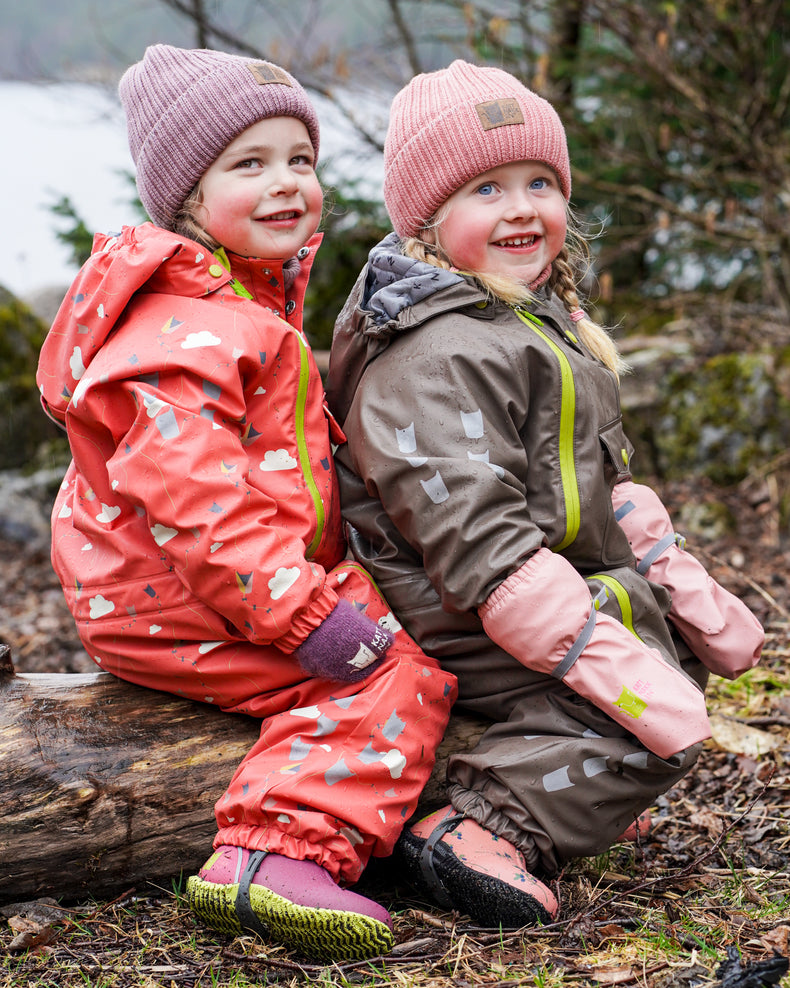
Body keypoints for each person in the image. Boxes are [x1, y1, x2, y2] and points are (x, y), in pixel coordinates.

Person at [35, 44, 457, 962]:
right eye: (249, 165)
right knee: (385, 672)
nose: (285, 185)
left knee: (414, 633)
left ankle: (532, 797)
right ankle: (272, 854)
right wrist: (303, 612)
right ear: (186, 196)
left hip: (215, 579)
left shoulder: (236, 305)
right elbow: (194, 499)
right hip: (179, 593)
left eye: (298, 161)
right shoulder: (185, 327)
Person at [326, 60, 764, 929]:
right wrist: (604, 657)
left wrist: (669, 571)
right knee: (647, 705)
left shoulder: (529, 318)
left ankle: (575, 785)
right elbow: (472, 534)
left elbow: (602, 476)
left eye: (539, 182)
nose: (523, 208)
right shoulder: (433, 351)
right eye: (486, 189)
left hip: (531, 586)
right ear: (427, 218)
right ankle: (475, 826)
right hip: (455, 604)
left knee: (663, 656)